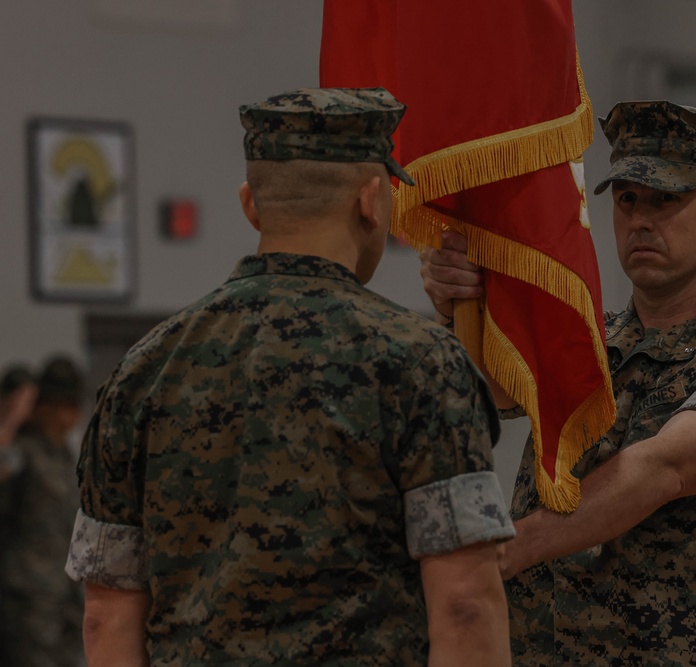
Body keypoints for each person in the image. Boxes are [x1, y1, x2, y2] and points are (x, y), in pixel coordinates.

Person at [65, 87, 514, 667]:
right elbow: (465, 605)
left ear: (251, 204)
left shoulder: (143, 370)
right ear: (371, 202)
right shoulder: (418, 362)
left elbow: (106, 617)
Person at [421, 100, 696, 665]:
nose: (641, 219)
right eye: (628, 199)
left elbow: (667, 468)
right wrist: (456, 307)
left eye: (667, 199)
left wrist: (511, 548)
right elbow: (477, 397)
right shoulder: (587, 343)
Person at [0, 356, 85, 667]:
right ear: (44, 407)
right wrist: (11, 418)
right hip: (28, 600)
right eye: (63, 405)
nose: (72, 415)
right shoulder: (23, 450)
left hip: (66, 597)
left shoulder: (65, 456)